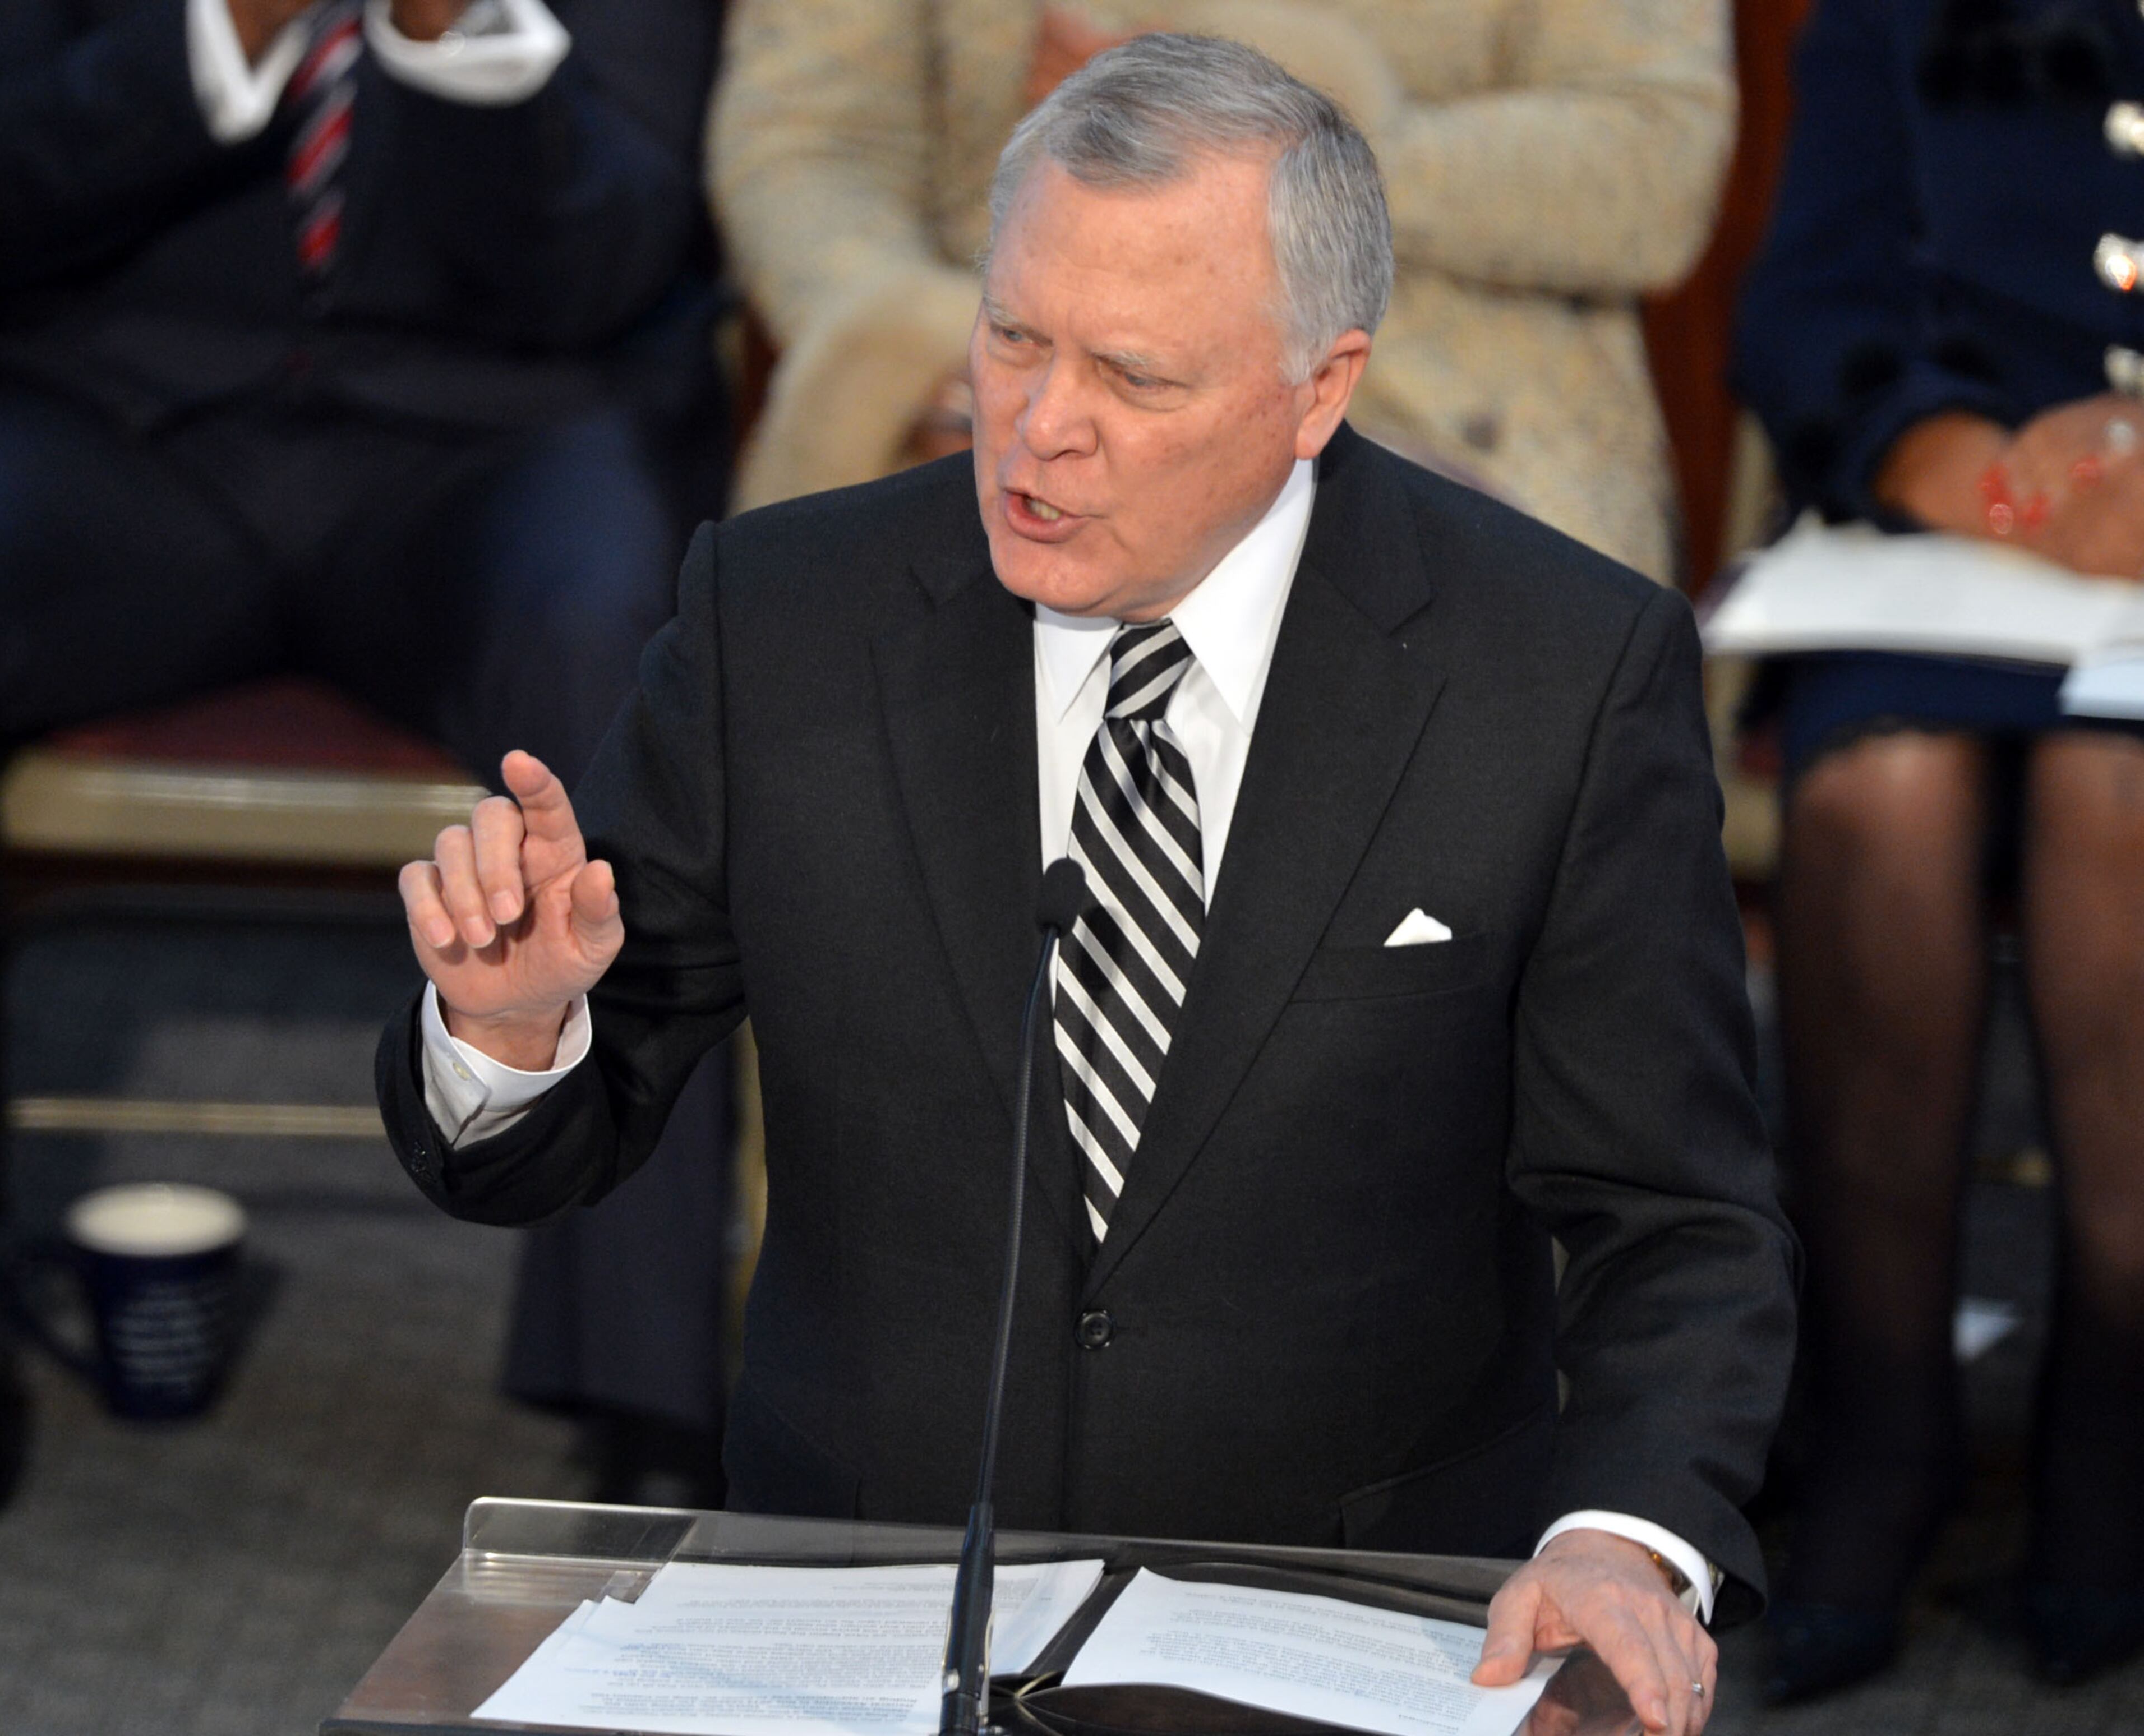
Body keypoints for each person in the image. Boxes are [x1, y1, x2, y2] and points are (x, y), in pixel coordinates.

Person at [381, 38, 1796, 1735]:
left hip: (1357, 1625)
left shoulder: (1553, 675)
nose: (1039, 432)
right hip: (863, 1617)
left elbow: (1679, 1219)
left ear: (1318, 387)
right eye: (1012, 340)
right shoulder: (790, 621)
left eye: (1132, 375)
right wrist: (513, 1029)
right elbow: (555, 1143)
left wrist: (1621, 1537)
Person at [0, 0, 732, 1506]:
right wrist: (228, 29)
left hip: (499, 440)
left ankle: (641, 1406)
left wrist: (456, 48)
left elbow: (606, 256)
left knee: (623, 647)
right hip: (117, 422)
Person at [1733, 0, 2144, 1698]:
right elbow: (1808, 301)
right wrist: (1984, 475)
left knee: (2115, 806)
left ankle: (2116, 1410)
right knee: (1876, 793)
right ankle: (1879, 1418)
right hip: (1953, 535)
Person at [710, 0, 1732, 584]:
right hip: (997, 365)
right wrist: (949, 362)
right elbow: (809, 142)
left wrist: (1269, 155)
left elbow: (1656, 159)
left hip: (1453, 399)